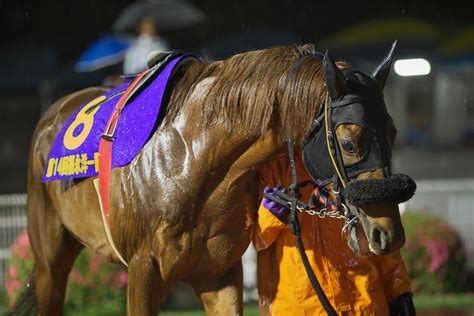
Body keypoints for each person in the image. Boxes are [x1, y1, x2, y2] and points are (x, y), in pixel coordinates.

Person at [254, 150, 415, 315]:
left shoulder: (347, 158)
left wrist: (398, 290)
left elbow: (378, 229)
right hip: (303, 305)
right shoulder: (272, 166)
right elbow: (257, 240)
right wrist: (269, 215)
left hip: (362, 302)